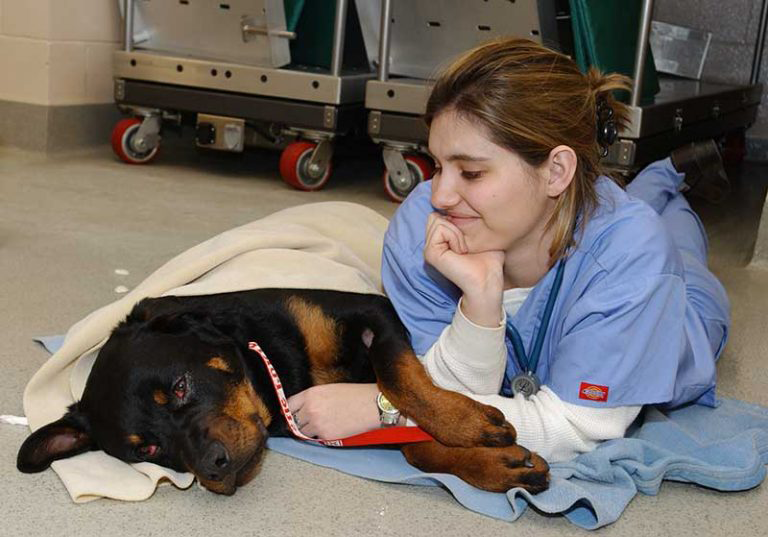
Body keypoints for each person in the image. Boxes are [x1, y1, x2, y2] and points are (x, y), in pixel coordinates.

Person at [287, 37, 731, 463]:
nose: (440, 194)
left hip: (687, 309)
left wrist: (388, 409)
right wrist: (479, 303)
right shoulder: (418, 233)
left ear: (556, 171)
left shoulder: (633, 255)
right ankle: (653, 181)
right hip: (589, 216)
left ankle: (669, 176)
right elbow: (448, 390)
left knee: (677, 236)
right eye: (439, 165)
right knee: (625, 209)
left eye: (471, 173)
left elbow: (575, 427)